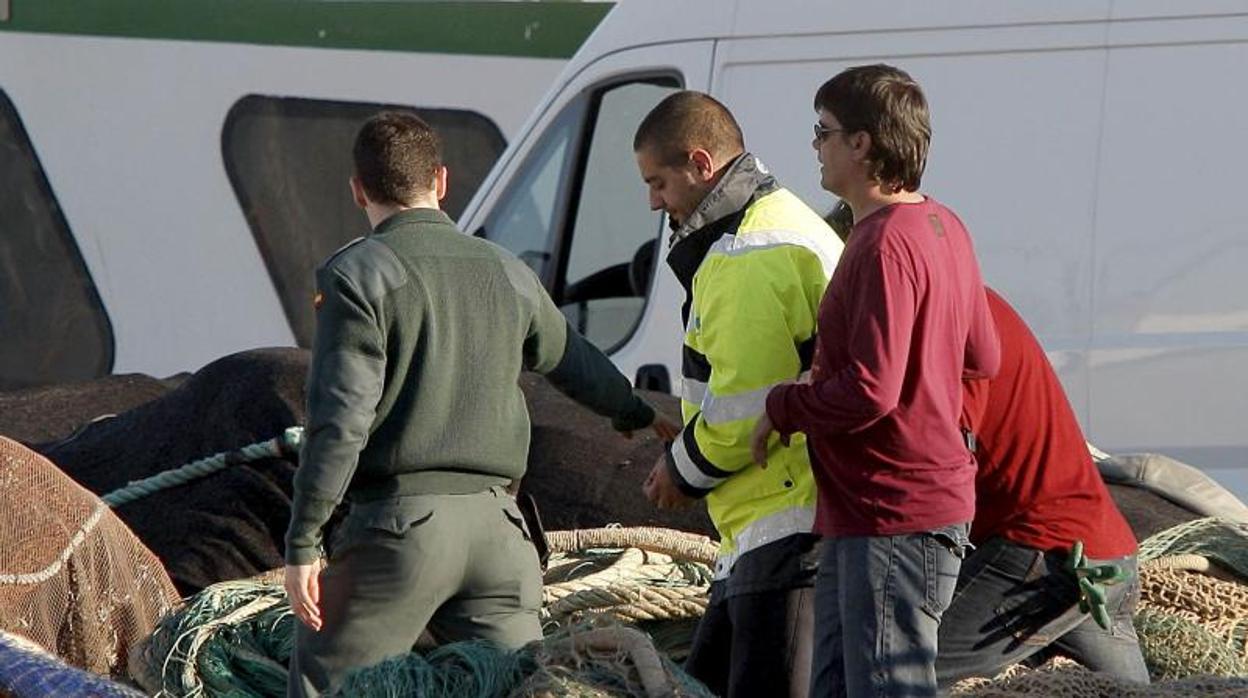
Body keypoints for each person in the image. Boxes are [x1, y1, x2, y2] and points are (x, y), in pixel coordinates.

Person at [283, 111, 677, 697]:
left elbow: (342, 422)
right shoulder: (505, 270)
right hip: (502, 536)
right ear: (441, 181)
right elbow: (575, 359)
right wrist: (639, 414)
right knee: (522, 687)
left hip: (401, 531)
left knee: (329, 687)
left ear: (358, 189)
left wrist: (303, 542)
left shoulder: (355, 275)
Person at [751, 64, 1000, 697]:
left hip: (890, 517)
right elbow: (985, 356)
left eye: (823, 131)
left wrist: (785, 405)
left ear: (862, 144)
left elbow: (871, 392)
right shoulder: (946, 227)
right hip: (887, 515)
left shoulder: (882, 245)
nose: (815, 145)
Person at [633, 91, 843, 698]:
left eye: (658, 182)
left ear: (701, 164)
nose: (653, 201)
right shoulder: (781, 224)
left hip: (785, 526)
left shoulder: (748, 255)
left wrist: (678, 470)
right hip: (772, 530)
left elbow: (745, 408)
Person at [936, 288, 1149, 685]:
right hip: (1107, 554)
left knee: (905, 677)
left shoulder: (944, 319)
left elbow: (942, 450)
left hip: (1042, 555)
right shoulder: (975, 303)